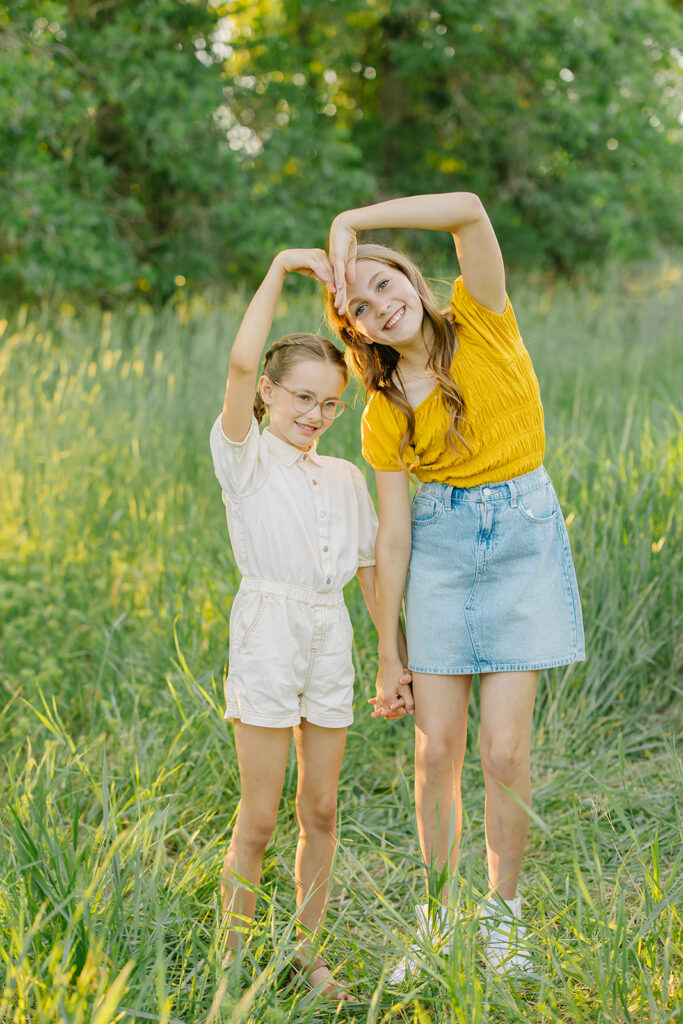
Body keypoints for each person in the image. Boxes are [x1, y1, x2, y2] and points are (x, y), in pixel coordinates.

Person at [324, 192, 585, 979]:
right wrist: (386, 652)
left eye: (384, 282)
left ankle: (503, 916)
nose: (379, 304)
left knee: (503, 751)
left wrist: (349, 229)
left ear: (411, 275)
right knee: (436, 752)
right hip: (437, 554)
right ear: (354, 332)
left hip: (521, 542)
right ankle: (435, 916)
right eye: (359, 305)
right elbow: (394, 535)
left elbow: (469, 209)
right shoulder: (381, 410)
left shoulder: (483, 316)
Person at [209, 247, 408, 1002]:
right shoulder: (245, 459)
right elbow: (234, 362)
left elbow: (368, 570)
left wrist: (391, 659)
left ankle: (307, 952)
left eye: (329, 404)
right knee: (259, 817)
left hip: (331, 639)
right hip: (267, 630)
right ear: (267, 393)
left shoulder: (344, 475)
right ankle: (232, 965)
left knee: (320, 808)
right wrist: (278, 270)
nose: (314, 416)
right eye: (299, 399)